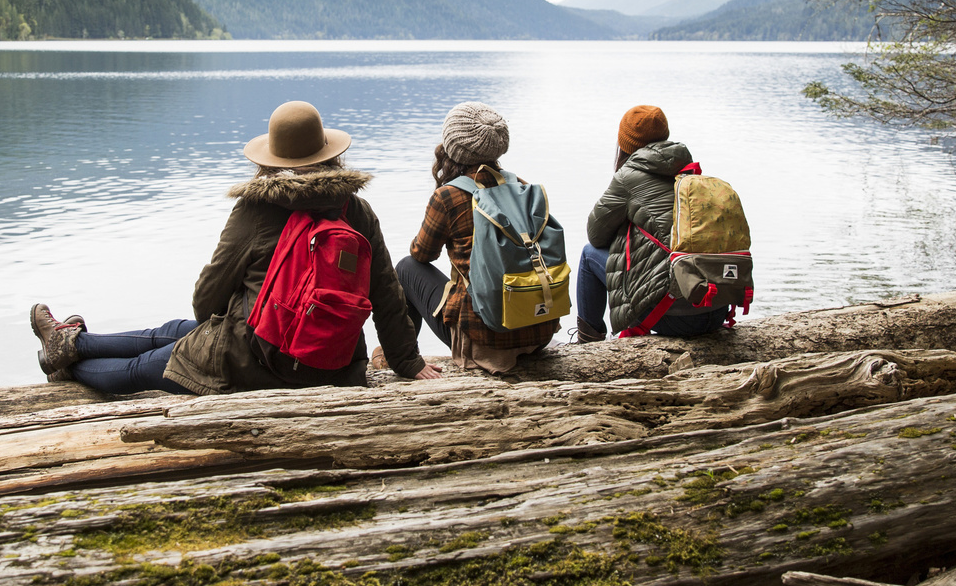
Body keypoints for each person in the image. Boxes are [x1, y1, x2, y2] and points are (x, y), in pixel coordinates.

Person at [29, 100, 437, 394]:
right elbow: (385, 293)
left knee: (141, 370)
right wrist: (408, 362)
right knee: (172, 333)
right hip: (337, 364)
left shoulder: (257, 209)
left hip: (259, 360)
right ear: (329, 155)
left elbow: (205, 299)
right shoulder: (357, 210)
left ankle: (67, 365)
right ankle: (70, 342)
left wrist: (219, 324)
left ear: (272, 160)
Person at [394, 102, 561, 372]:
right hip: (538, 332)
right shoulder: (521, 187)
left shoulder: (448, 196)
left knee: (406, 267)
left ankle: (404, 358)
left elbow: (421, 254)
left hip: (484, 341)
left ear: (453, 146)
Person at [576, 105, 735, 341]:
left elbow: (596, 235)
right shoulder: (689, 171)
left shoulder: (628, 178)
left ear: (624, 144)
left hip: (674, 317)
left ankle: (589, 342)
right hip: (716, 307)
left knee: (589, 255)